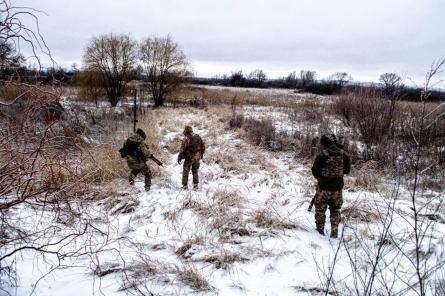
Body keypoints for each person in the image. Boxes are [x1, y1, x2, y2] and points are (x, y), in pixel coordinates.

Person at [311, 134, 351, 238]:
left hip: (323, 189)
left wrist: (321, 179)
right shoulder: (344, 155)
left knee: (320, 210)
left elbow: (315, 171)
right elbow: (347, 170)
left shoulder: (321, 155)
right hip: (337, 190)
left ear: (325, 143)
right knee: (335, 209)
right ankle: (334, 232)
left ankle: (320, 232)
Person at [177, 125, 205, 190]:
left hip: (189, 157)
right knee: (195, 171)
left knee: (186, 170)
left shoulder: (187, 138)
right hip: (197, 157)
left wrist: (180, 156)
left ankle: (185, 186)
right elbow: (203, 147)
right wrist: (201, 155)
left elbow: (182, 148)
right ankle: (195, 186)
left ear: (186, 131)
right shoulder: (198, 136)